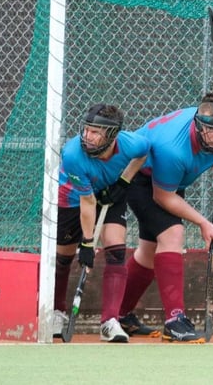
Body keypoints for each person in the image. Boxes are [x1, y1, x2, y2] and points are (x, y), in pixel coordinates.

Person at [118, 93, 213, 343]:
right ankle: (174, 321)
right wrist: (203, 222)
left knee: (149, 250)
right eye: (211, 131)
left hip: (169, 179)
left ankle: (119, 316)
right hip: (139, 175)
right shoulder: (173, 150)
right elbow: (163, 196)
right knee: (172, 234)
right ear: (197, 125)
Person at [55, 103, 149, 342]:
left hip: (110, 193)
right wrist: (87, 243)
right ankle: (57, 312)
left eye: (96, 132)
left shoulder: (131, 143)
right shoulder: (73, 153)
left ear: (112, 135)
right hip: (74, 197)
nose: (88, 136)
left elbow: (144, 152)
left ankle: (110, 321)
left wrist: (124, 182)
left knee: (116, 251)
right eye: (87, 129)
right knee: (64, 258)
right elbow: (87, 201)